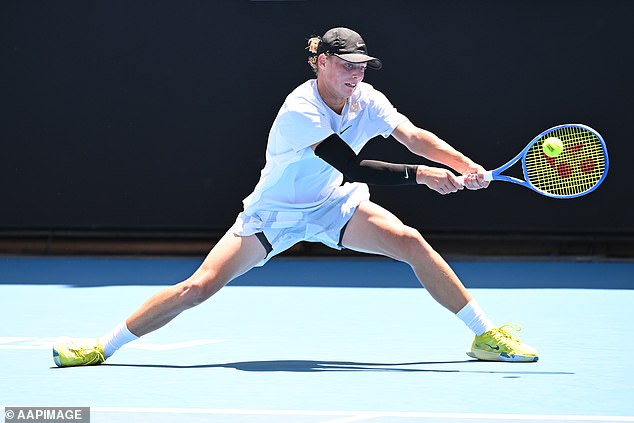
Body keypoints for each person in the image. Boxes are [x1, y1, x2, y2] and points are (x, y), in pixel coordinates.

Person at [53, 27, 538, 367]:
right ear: (323, 62)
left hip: (333, 204)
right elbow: (351, 163)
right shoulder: (300, 108)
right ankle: (101, 345)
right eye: (347, 65)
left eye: (362, 67)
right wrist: (424, 177)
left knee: (410, 241)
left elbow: (411, 135)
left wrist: (461, 164)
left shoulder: (366, 98)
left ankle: (485, 335)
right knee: (197, 288)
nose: (356, 74)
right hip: (274, 215)